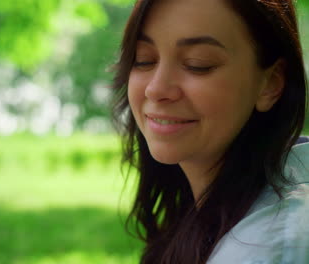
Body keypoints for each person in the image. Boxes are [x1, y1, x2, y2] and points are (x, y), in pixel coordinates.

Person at [112, 0, 309, 263]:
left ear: (270, 84)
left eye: (198, 64)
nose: (156, 89)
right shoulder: (209, 214)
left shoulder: (269, 247)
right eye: (144, 60)